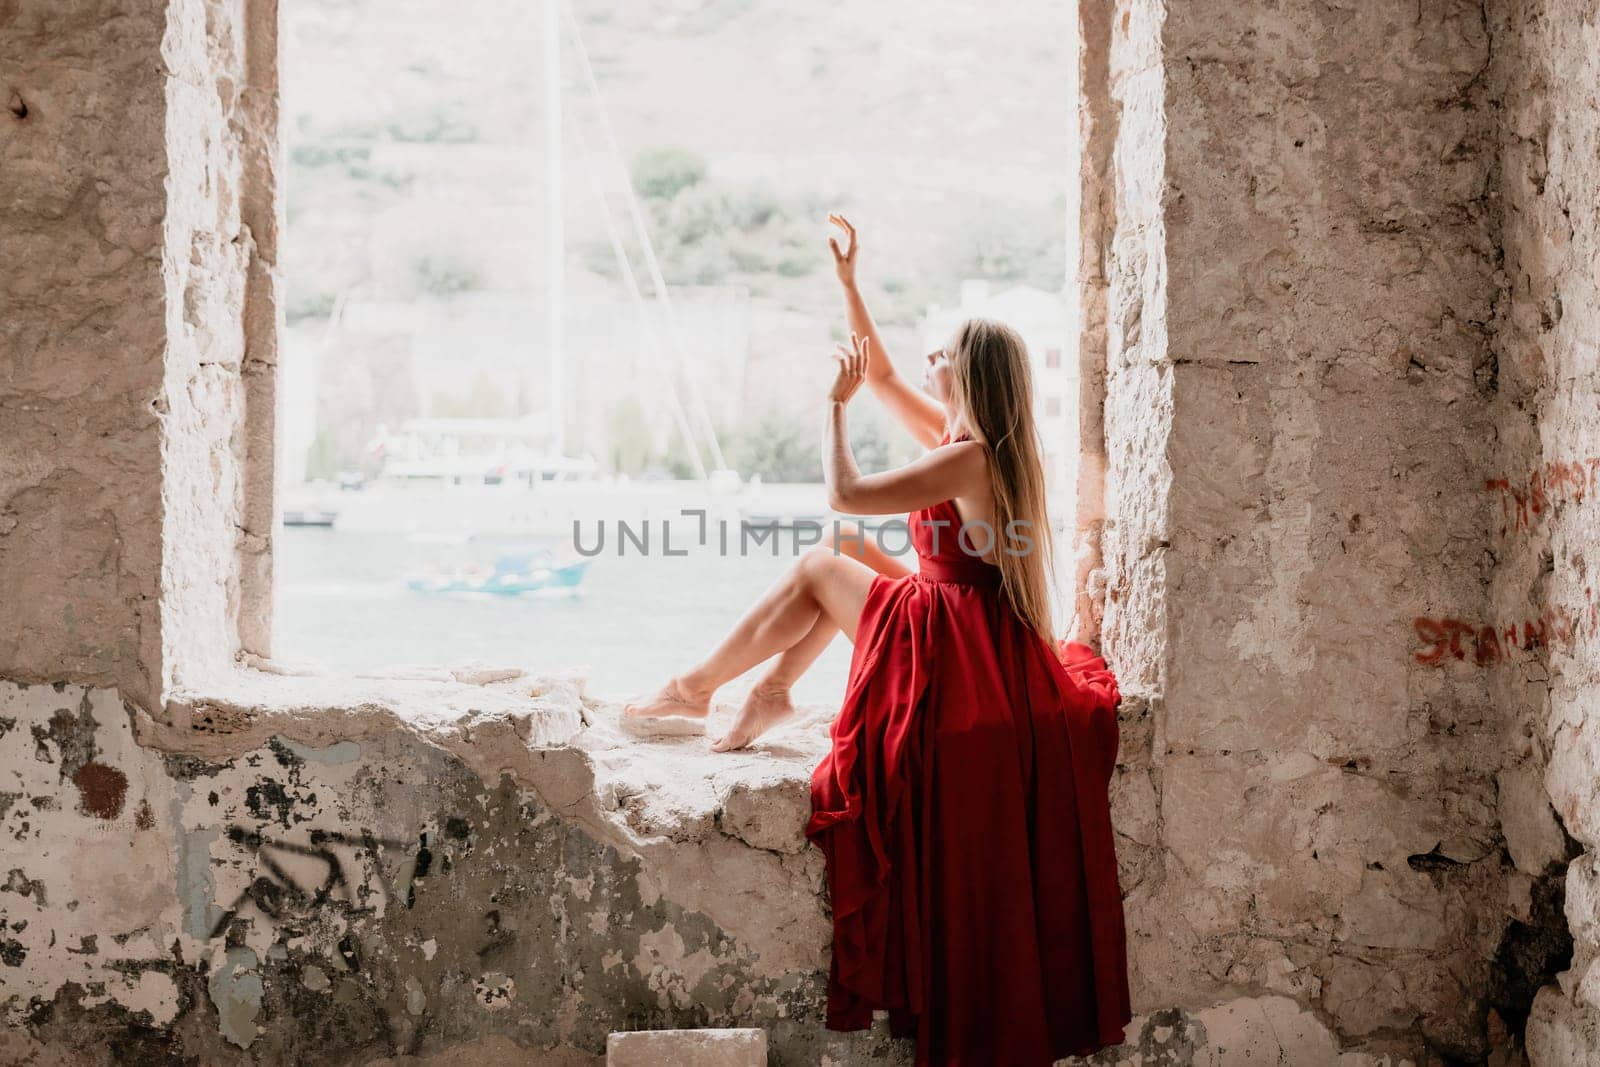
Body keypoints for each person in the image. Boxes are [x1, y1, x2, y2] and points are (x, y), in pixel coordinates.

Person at [625, 214, 1131, 1064]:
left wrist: (832, 407)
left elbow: (847, 491)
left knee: (828, 560)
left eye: (942, 353)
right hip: (974, 629)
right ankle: (769, 690)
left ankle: (699, 686)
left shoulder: (968, 459)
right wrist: (851, 283)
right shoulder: (970, 438)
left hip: (961, 647)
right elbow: (886, 371)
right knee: (850, 564)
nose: (926, 359)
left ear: (967, 373)